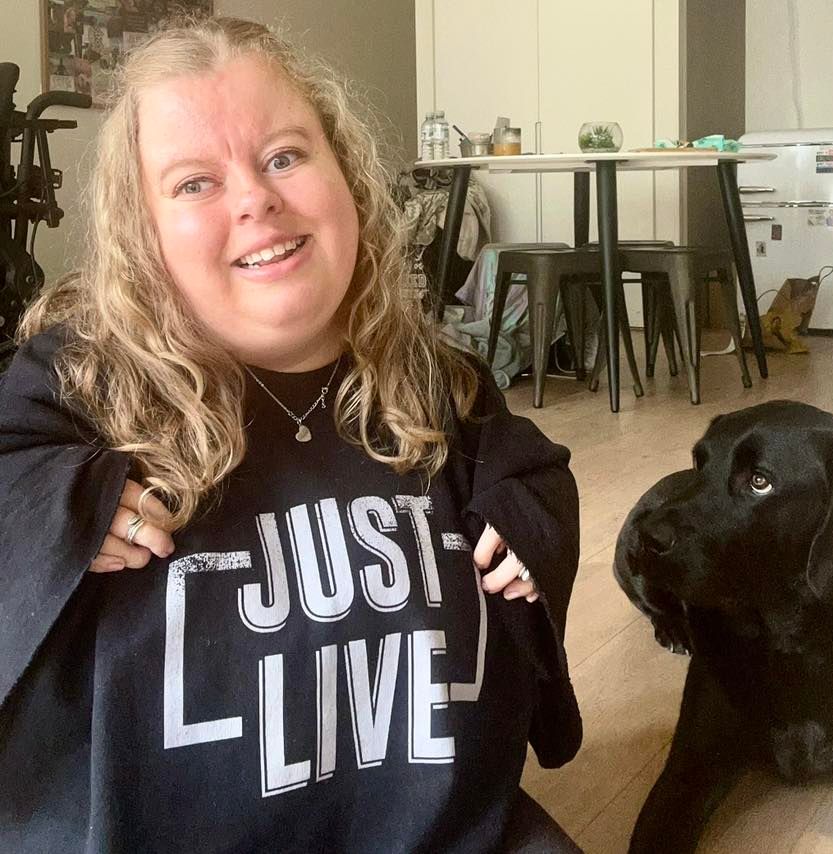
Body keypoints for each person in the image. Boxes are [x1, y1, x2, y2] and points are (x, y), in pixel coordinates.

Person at [0, 17, 582, 853]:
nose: (255, 198)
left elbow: (531, 468)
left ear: (344, 176)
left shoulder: (433, 380)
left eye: (283, 156)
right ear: (143, 233)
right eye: (194, 182)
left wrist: (528, 525)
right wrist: (55, 506)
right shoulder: (77, 384)